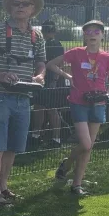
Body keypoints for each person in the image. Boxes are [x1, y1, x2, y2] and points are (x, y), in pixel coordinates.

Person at [0, 0, 47, 206]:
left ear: (33, 9)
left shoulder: (38, 35)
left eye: (25, 4)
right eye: (17, 3)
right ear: (11, 7)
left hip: (24, 96)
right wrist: (1, 75)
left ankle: (4, 186)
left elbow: (42, 62)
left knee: (14, 146)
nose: (21, 7)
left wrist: (40, 76)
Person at [48, 21, 109, 196]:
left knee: (88, 146)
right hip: (78, 102)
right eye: (88, 31)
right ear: (84, 36)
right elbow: (51, 64)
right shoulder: (76, 53)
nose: (92, 34)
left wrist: (106, 95)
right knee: (86, 144)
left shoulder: (107, 57)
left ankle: (76, 185)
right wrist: (67, 75)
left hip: (98, 104)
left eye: (96, 31)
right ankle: (67, 164)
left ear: (102, 35)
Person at [30, 19, 67, 147]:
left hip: (51, 80)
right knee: (41, 107)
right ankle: (38, 135)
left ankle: (54, 138)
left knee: (48, 109)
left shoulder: (55, 44)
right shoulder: (42, 43)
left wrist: (54, 81)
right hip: (43, 78)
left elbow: (59, 65)